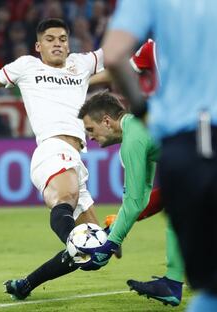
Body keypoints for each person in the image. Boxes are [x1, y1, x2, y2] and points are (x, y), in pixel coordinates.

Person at [0, 18, 107, 300]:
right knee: (68, 205)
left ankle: (26, 284)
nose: (58, 43)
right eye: (50, 39)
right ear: (38, 46)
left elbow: (116, 50)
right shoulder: (27, 66)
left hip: (76, 158)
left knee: (95, 255)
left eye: (63, 39)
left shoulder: (81, 65)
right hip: (52, 149)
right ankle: (75, 240)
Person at [102, 1, 217, 310]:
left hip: (187, 137)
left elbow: (113, 55)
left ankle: (174, 283)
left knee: (209, 284)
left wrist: (140, 110)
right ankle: (172, 282)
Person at [78, 91, 184, 306]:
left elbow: (134, 202)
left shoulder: (133, 141)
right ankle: (173, 282)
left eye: (91, 129)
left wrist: (107, 247)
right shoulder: (140, 126)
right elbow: (143, 198)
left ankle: (173, 284)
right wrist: (115, 233)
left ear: (107, 121)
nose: (90, 137)